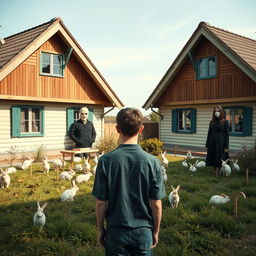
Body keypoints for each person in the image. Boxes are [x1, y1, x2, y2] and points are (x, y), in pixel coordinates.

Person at [92, 108, 166, 256]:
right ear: (141, 129)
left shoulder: (105, 161)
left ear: (117, 129)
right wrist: (156, 231)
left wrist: (100, 229)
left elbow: (101, 203)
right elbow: (156, 204)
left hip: (115, 231)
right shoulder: (153, 162)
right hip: (144, 232)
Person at [206, 105, 229, 177]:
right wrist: (207, 144)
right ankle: (215, 171)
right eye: (215, 111)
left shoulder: (225, 122)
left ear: (221, 112)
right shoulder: (212, 122)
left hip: (221, 142)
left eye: (218, 111)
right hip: (212, 141)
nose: (217, 113)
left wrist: (226, 147)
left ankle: (220, 171)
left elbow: (227, 135)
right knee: (213, 156)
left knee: (220, 157)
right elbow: (209, 133)